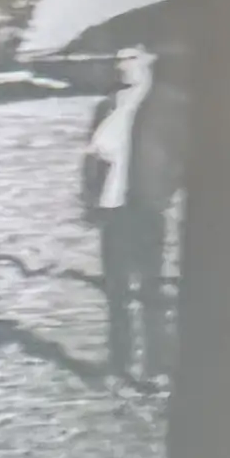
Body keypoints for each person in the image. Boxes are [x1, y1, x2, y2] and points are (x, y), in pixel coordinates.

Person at [80, 34, 186, 393]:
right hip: (112, 208)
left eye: (130, 58)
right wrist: (89, 198)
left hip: (146, 206)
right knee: (117, 291)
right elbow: (91, 158)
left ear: (148, 59)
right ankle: (119, 364)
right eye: (118, 59)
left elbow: (184, 156)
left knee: (152, 289)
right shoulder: (108, 105)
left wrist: (164, 192)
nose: (122, 65)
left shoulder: (169, 104)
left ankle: (159, 367)